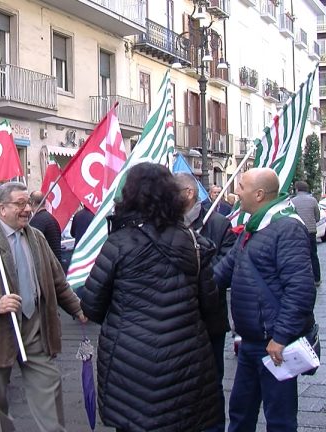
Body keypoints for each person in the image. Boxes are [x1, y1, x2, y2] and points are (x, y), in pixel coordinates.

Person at [81, 163, 221, 431]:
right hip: (185, 357)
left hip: (128, 358)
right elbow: (210, 303)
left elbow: (91, 305)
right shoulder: (192, 241)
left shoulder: (118, 242)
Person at [0, 182, 87, 432]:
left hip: (35, 328)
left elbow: (57, 280)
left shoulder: (37, 238)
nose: (27, 209)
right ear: (2, 209)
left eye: (28, 203)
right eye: (20, 204)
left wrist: (77, 308)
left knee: (49, 384)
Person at [213, 168, 316, 432]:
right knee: (240, 412)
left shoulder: (287, 228)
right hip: (250, 341)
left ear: (259, 194)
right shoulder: (254, 226)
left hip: (273, 345)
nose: (236, 192)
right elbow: (223, 271)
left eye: (241, 186)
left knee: (279, 419)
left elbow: (300, 290)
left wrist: (280, 337)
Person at [174, 172, 236, 432]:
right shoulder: (166, 223)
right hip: (177, 321)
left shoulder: (218, 224)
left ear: (189, 193)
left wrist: (198, 277)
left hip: (209, 319)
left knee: (211, 381)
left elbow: (227, 264)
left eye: (172, 192)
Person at [291, 180, 322, 286]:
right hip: (311, 231)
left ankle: (301, 278)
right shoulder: (313, 201)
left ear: (297, 189)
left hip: (298, 231)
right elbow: (317, 216)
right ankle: (317, 278)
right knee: (313, 255)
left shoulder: (292, 202)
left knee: (299, 255)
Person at [28, 191, 62, 260]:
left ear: (32, 202)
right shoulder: (52, 219)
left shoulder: (36, 221)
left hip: (48, 262)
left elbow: (33, 246)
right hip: (56, 261)